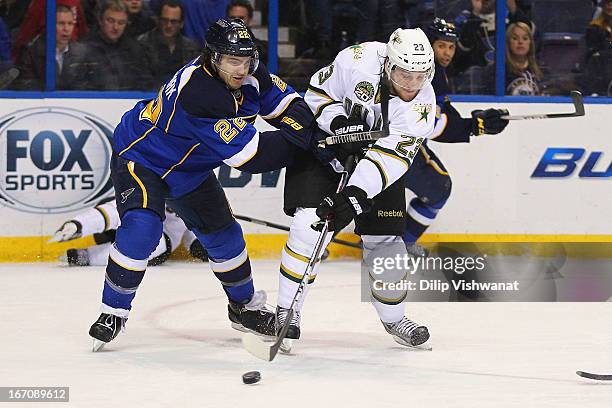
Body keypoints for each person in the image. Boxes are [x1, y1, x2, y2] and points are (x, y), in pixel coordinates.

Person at [87, 18, 321, 351]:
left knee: (225, 236)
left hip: (190, 169)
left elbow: (288, 106)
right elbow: (252, 157)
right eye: (232, 61)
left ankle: (245, 308)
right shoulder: (200, 94)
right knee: (143, 228)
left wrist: (316, 130)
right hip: (143, 158)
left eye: (246, 59)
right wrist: (314, 143)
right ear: (213, 57)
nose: (242, 69)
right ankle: (113, 312)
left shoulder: (251, 72)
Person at [275, 27, 439, 349]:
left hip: (375, 165)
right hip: (325, 150)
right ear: (389, 66)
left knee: (388, 247)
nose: (411, 85)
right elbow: (317, 94)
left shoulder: (422, 106)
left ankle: (394, 318)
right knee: (309, 228)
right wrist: (337, 123)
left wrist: (355, 195)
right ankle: (286, 312)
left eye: (420, 76)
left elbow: (392, 158)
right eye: (405, 75)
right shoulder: (357, 60)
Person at [401, 18, 509, 254]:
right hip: (401, 145)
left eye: (451, 46)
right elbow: (429, 124)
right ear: (428, 45)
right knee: (440, 188)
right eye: (441, 45)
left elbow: (443, 113)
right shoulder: (426, 72)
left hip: (392, 140)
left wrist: (473, 123)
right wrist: (473, 126)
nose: (447, 52)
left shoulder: (433, 70)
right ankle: (402, 243)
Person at [50, 198, 209, 266]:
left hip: (162, 236)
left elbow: (195, 231)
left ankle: (87, 256)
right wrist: (80, 223)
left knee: (151, 243)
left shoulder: (199, 188)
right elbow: (119, 206)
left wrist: (204, 244)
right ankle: (77, 228)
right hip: (135, 218)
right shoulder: (154, 171)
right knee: (130, 210)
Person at [77, 0, 154, 91]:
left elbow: (145, 83)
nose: (116, 27)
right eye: (110, 21)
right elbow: (78, 85)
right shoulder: (83, 49)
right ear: (100, 21)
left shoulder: (135, 49)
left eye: (121, 23)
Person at [14, 5, 88, 90]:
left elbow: (84, 85)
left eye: (70, 24)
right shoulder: (30, 52)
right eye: (61, 23)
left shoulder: (81, 52)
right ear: (49, 25)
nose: (66, 29)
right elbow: (26, 86)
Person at [138, 0, 200, 85]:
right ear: (158, 20)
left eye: (173, 21)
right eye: (165, 20)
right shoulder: (142, 44)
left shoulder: (191, 48)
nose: (168, 25)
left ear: (181, 24)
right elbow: (142, 80)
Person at [483, 21, 543, 95]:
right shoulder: (496, 70)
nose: (520, 42)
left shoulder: (540, 68)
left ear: (530, 43)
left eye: (525, 38)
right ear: (508, 42)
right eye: (515, 38)